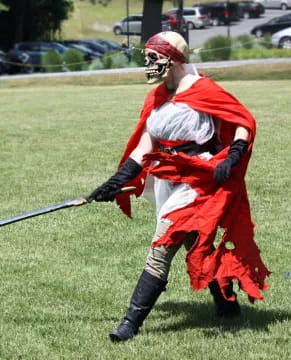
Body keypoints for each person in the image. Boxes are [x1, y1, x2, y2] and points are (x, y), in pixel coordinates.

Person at [88, 32, 270, 342]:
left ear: (172, 59)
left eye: (153, 58)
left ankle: (130, 324)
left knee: (162, 246)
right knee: (196, 243)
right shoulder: (157, 97)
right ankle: (227, 305)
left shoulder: (204, 90)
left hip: (199, 181)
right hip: (167, 179)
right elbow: (145, 146)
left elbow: (243, 120)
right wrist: (115, 182)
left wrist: (234, 155)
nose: (147, 64)